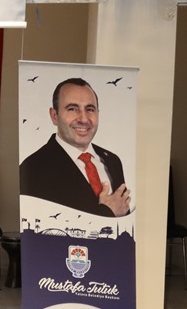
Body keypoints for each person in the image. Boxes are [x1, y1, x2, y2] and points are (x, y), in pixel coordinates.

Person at [20, 78, 131, 217]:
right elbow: (40, 224)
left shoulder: (113, 161)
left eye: (90, 109)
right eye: (72, 109)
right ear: (54, 116)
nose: (83, 119)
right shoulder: (32, 169)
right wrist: (106, 212)